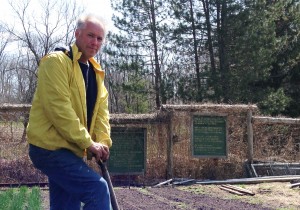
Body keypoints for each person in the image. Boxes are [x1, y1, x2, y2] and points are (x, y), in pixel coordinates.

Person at [27, 13, 112, 210]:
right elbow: (60, 110)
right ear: (77, 34)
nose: (95, 42)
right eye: (91, 36)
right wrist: (89, 143)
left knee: (67, 206)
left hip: (71, 151)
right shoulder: (56, 62)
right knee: (97, 190)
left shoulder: (96, 74)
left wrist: (103, 143)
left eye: (100, 38)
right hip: (49, 148)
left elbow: (101, 115)